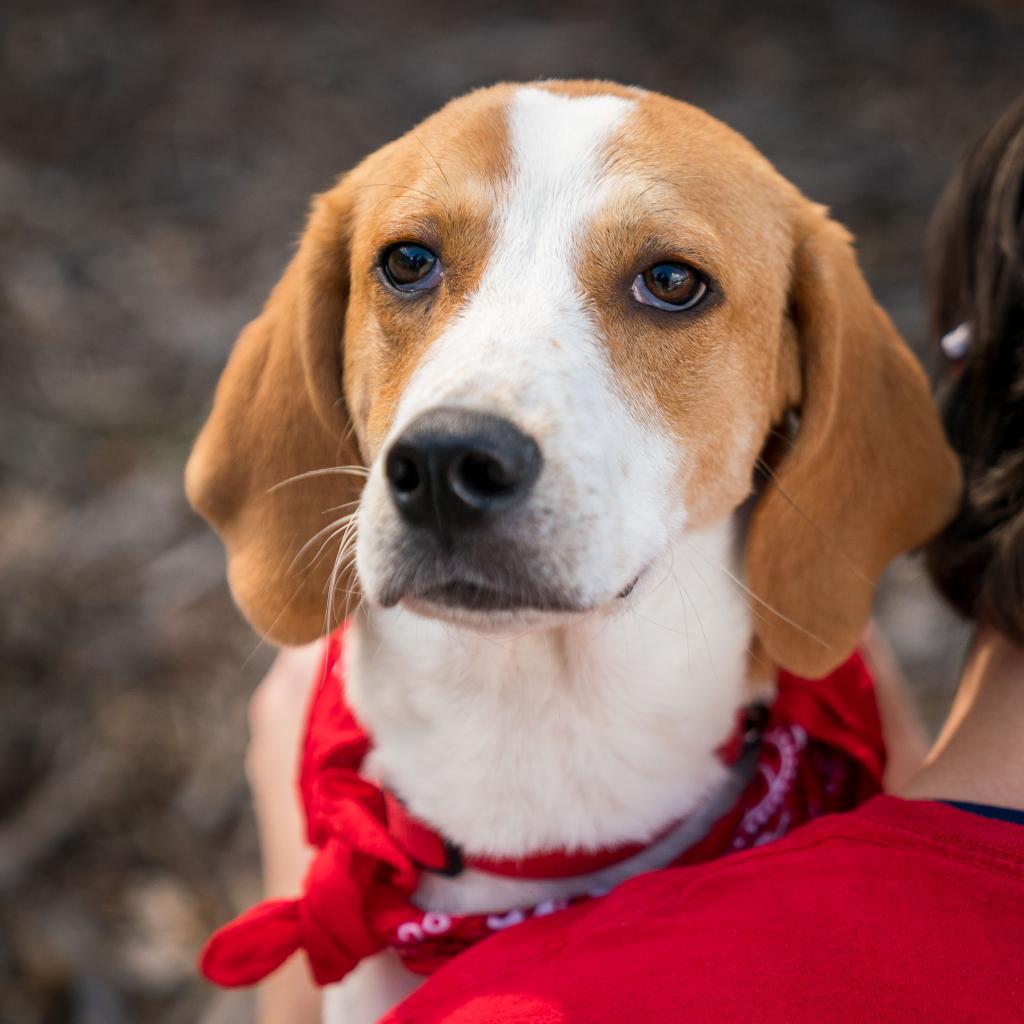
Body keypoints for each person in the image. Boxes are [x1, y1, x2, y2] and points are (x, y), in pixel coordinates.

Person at [243, 98, 1024, 1022]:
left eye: (669, 283)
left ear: (801, 377)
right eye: (411, 266)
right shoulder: (328, 809)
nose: (460, 437)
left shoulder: (860, 849)